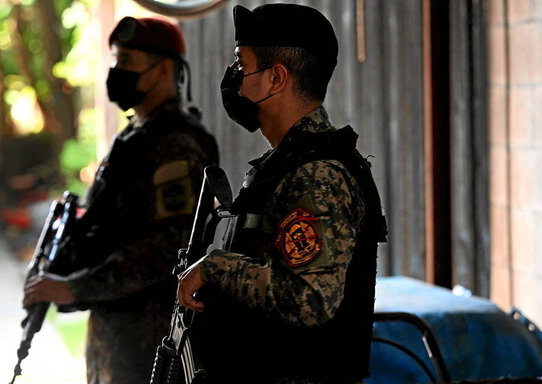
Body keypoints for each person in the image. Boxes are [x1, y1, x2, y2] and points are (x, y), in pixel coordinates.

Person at [176, 4, 387, 384]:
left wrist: (215, 268)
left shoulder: (317, 175)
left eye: (241, 65)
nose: (234, 79)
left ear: (276, 79)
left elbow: (311, 299)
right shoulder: (284, 165)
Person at [22, 16, 219, 384]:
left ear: (163, 70)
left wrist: (74, 287)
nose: (116, 72)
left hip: (152, 344)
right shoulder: (136, 137)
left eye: (127, 62)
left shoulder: (175, 145)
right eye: (115, 62)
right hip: (117, 336)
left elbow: (170, 246)